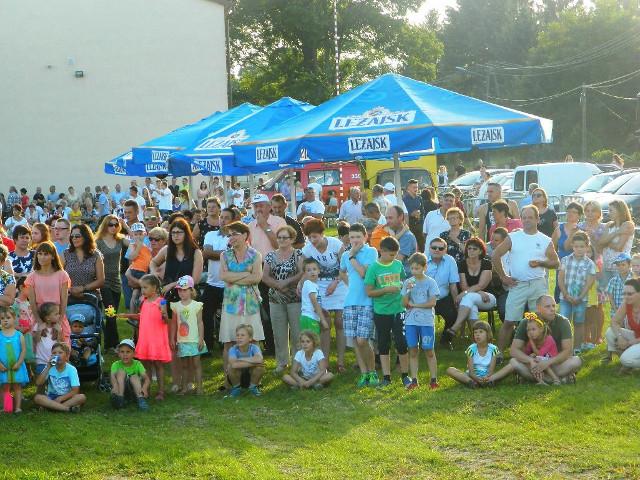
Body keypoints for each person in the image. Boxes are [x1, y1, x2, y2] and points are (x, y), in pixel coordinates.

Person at [492, 206, 559, 358]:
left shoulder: (545, 240)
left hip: (537, 284)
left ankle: (543, 353)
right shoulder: (513, 237)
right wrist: (503, 277)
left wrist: (540, 263)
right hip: (518, 284)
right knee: (509, 321)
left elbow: (556, 263)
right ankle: (499, 354)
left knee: (540, 321)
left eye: (530, 217)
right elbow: (495, 255)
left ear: (537, 219)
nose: (527, 220)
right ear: (521, 219)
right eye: (524, 217)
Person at [364, 236, 410, 388]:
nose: (394, 257)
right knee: (384, 343)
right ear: (382, 251)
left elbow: (403, 280)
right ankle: (386, 377)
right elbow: (369, 292)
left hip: (398, 309)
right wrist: (385, 290)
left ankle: (405, 375)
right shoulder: (374, 268)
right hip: (382, 311)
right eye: (391, 254)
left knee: (401, 342)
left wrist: (404, 287)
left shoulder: (398, 264)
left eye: (395, 254)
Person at [219, 221, 264, 375]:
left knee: (254, 340)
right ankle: (229, 377)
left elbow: (256, 278)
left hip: (250, 305)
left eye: (235, 234)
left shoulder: (256, 255)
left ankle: (253, 378)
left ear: (245, 235)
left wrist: (233, 277)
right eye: (229, 235)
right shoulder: (225, 255)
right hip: (231, 305)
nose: (231, 238)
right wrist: (246, 274)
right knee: (229, 341)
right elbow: (223, 276)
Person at [302, 219, 347, 370]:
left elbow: (344, 267)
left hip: (339, 283)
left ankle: (341, 362)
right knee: (325, 323)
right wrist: (300, 283)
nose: (312, 240)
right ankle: (325, 362)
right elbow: (305, 270)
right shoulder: (307, 250)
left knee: (340, 322)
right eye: (309, 237)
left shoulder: (336, 244)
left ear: (322, 234)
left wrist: (335, 282)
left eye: (315, 236)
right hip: (320, 285)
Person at [117, 274, 171, 400]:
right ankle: (146, 390)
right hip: (146, 339)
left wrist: (164, 315)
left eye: (145, 287)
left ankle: (161, 391)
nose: (142, 290)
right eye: (141, 288)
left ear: (155, 287)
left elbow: (166, 320)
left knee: (158, 365)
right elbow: (142, 316)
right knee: (146, 366)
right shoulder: (144, 302)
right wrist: (127, 315)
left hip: (157, 339)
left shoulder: (162, 301)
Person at [339, 223, 378, 387]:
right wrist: (349, 285)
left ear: (365, 237)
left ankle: (372, 371)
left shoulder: (371, 251)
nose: (354, 240)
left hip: (366, 302)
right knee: (355, 340)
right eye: (352, 237)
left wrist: (352, 256)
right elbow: (341, 271)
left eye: (358, 237)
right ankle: (364, 373)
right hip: (350, 302)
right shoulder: (345, 255)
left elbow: (363, 273)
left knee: (363, 340)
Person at [510, 295, 582, 383]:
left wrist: (548, 362)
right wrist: (530, 360)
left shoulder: (563, 321)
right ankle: (559, 379)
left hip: (556, 363)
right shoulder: (527, 321)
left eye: (553, 306)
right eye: (548, 306)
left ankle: (535, 378)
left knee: (576, 361)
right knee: (513, 361)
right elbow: (514, 350)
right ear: (538, 308)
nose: (552, 309)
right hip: (534, 363)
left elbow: (568, 351)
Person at [249, 193, 287, 355]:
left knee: (278, 308)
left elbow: (279, 244)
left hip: (277, 267)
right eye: (255, 206)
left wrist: (265, 226)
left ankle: (282, 344)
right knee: (263, 307)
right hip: (258, 268)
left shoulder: (279, 222)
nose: (258, 209)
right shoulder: (250, 226)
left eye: (261, 205)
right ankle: (270, 345)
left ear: (269, 207)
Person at [263, 225, 304, 373]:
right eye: (279, 237)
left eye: (285, 238)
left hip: (295, 298)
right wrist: (278, 286)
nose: (281, 240)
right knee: (279, 332)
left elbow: (302, 273)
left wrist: (286, 282)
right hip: (275, 298)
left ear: (292, 239)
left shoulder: (298, 254)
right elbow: (264, 276)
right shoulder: (270, 255)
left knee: (297, 332)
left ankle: (298, 362)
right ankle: (282, 362)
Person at [401, 252, 439, 390]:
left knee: (429, 350)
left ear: (424, 267)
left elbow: (432, 302)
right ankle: (414, 379)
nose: (414, 271)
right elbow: (404, 303)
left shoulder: (431, 282)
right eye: (412, 268)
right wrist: (407, 291)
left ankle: (433, 379)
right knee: (412, 349)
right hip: (411, 321)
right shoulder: (408, 282)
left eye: (417, 268)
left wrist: (416, 305)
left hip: (426, 321)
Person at [447, 237, 497, 337]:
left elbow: (481, 285)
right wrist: (478, 292)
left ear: (480, 251)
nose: (471, 251)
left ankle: (455, 327)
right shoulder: (462, 264)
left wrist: (465, 293)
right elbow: (464, 286)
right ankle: (477, 337)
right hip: (471, 297)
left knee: (468, 297)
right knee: (471, 306)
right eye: (469, 248)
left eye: (474, 249)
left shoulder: (486, 263)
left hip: (487, 298)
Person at [201, 207, 235, 352]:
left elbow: (234, 257)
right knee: (206, 315)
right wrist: (225, 253)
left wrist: (217, 254)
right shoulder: (210, 234)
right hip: (212, 283)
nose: (223, 220)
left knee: (230, 316)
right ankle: (207, 346)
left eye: (227, 218)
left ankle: (227, 344)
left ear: (233, 221)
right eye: (222, 217)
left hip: (230, 284)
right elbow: (206, 253)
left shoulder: (235, 237)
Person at [557, 232, 596, 353]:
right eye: (576, 246)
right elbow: (560, 279)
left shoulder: (590, 264)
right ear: (572, 246)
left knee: (579, 323)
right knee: (564, 322)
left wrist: (580, 297)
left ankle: (577, 348)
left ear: (587, 246)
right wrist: (566, 294)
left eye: (582, 246)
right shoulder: (565, 260)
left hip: (581, 299)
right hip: (565, 298)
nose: (579, 249)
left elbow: (589, 283)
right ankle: (564, 348)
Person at [26, 242, 71, 345]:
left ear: (53, 256)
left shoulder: (62, 275)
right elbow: (32, 303)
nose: (42, 257)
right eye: (40, 254)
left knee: (61, 347)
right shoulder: (32, 277)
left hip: (57, 316)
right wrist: (40, 322)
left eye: (46, 254)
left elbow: (64, 301)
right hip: (39, 317)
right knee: (39, 347)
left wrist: (59, 322)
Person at [169, 275, 206, 395]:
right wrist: (172, 338)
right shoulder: (176, 306)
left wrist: (201, 338)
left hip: (194, 340)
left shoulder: (197, 305)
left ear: (191, 290)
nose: (181, 293)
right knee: (184, 365)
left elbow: (200, 323)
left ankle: (199, 388)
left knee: (196, 365)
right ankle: (184, 388)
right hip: (182, 341)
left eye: (184, 290)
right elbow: (173, 323)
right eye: (179, 290)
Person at [446, 321, 511, 388]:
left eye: (481, 332)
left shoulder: (493, 349)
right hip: (472, 376)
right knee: (450, 370)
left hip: (488, 376)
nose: (477, 334)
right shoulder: (471, 349)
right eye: (475, 332)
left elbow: (491, 370)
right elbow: (471, 372)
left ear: (488, 334)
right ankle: (471, 382)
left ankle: (488, 381)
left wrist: (487, 377)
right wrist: (476, 378)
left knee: (509, 367)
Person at [95, 214, 126, 350]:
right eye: (110, 224)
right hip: (104, 282)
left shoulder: (120, 240)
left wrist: (126, 227)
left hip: (116, 282)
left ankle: (109, 344)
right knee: (111, 313)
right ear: (105, 225)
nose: (113, 227)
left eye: (116, 224)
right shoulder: (98, 242)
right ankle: (115, 343)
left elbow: (135, 242)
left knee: (112, 315)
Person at [33, 342, 86, 413]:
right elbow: (38, 383)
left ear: (67, 356)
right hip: (52, 397)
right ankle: (67, 409)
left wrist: (61, 398)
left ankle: (52, 408)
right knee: (38, 398)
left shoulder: (71, 369)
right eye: (54, 353)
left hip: (67, 397)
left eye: (60, 352)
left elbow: (75, 390)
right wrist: (48, 367)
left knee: (81, 397)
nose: (57, 355)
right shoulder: (49, 367)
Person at [426, 237, 460, 348]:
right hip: (425, 298)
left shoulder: (450, 260)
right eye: (434, 247)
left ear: (445, 250)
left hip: (443, 298)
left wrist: (456, 302)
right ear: (429, 248)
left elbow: (453, 284)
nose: (437, 250)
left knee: (454, 315)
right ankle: (423, 342)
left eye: (440, 248)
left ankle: (445, 340)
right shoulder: (422, 259)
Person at [603, 278, 640, 370]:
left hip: (637, 340)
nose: (626, 297)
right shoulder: (627, 303)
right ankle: (629, 364)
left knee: (625, 359)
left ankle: (628, 362)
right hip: (635, 336)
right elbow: (614, 321)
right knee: (610, 332)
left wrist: (629, 343)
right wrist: (620, 338)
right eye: (624, 294)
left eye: (630, 294)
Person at [62, 224, 105, 300]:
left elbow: (101, 281)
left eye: (77, 236)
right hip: (69, 296)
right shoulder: (65, 254)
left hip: (91, 297)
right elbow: (58, 277)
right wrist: (69, 289)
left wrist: (83, 288)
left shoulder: (95, 255)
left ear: (86, 237)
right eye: (72, 236)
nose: (74, 238)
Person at [600, 200, 634, 293]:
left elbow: (619, 247)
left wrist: (606, 242)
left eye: (611, 210)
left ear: (619, 211)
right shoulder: (609, 225)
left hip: (621, 265)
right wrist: (617, 232)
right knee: (606, 294)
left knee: (621, 293)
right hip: (606, 265)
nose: (609, 213)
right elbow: (600, 242)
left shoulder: (627, 224)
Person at [552, 201, 583, 301]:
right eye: (568, 211)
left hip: (578, 264)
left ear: (579, 215)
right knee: (561, 288)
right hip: (562, 264)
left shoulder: (582, 230)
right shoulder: (559, 229)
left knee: (576, 289)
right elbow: (552, 247)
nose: (570, 214)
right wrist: (556, 260)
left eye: (574, 212)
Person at [0, 305, 29, 413]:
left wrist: (19, 363)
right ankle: (6, 407)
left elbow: (23, 350)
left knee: (17, 386)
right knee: (5, 387)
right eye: (2, 318)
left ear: (14, 318)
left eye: (8, 317)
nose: (5, 320)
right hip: (3, 367)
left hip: (17, 366)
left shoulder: (19, 335)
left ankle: (18, 407)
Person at [109, 338, 150, 410]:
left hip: (134, 391)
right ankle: (120, 399)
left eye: (128, 352)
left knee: (134, 377)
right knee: (121, 372)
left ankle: (140, 399)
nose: (125, 355)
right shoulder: (115, 364)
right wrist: (115, 386)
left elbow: (146, 379)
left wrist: (144, 388)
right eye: (122, 352)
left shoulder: (137, 364)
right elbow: (112, 377)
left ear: (134, 354)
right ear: (118, 354)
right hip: (120, 389)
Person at [227, 324, 265, 397]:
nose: (239, 337)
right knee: (230, 367)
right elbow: (234, 365)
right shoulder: (233, 349)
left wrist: (241, 359)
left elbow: (259, 359)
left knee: (260, 368)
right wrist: (254, 363)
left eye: (242, 335)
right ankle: (236, 388)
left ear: (250, 338)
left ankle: (253, 387)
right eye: (237, 335)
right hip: (237, 377)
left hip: (251, 376)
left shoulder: (254, 347)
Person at [524, 313, 561, 385]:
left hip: (552, 360)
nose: (530, 332)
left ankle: (556, 379)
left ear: (541, 329)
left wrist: (531, 341)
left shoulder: (548, 339)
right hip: (541, 358)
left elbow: (539, 354)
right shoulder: (533, 339)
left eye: (533, 329)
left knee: (538, 359)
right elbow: (526, 352)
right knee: (532, 360)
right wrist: (530, 355)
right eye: (528, 330)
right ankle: (540, 380)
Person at [124, 223, 152, 311]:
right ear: (133, 235)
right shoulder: (133, 244)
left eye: (140, 234)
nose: (138, 236)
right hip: (137, 270)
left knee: (136, 292)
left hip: (144, 270)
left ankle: (137, 312)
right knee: (141, 291)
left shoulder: (147, 243)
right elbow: (131, 257)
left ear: (145, 234)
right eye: (136, 234)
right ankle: (134, 312)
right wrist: (138, 247)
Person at [299, 258, 328, 335]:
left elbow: (312, 302)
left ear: (319, 271)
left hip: (307, 317)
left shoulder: (313, 285)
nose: (312, 272)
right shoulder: (309, 284)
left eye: (314, 269)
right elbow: (314, 302)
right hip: (310, 317)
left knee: (308, 340)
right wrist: (323, 320)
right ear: (304, 274)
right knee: (313, 341)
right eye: (308, 270)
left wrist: (322, 309)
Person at [607, 253, 634, 318]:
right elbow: (610, 297)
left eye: (623, 265)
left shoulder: (634, 279)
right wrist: (616, 311)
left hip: (631, 314)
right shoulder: (613, 281)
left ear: (629, 265)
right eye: (618, 265)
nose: (620, 267)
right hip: (616, 312)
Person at [403, 179, 425, 253]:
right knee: (411, 246)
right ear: (408, 188)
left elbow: (423, 211)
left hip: (419, 226)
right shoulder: (404, 199)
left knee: (421, 246)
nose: (416, 189)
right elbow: (402, 213)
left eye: (417, 187)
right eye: (414, 187)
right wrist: (411, 214)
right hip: (410, 226)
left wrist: (420, 216)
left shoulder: (419, 198)